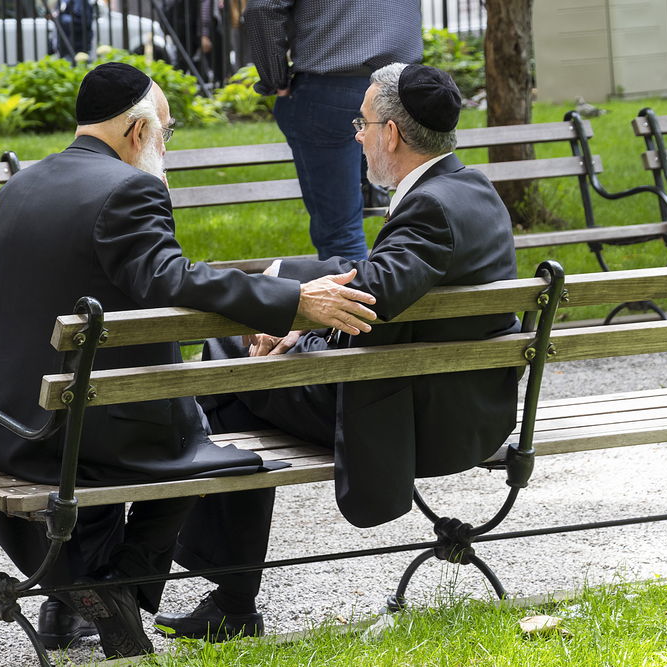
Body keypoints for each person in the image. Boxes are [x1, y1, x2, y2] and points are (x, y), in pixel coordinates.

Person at [0, 62, 377, 659]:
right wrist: (293, 300)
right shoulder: (130, 188)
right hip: (77, 434)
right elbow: (168, 278)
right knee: (216, 443)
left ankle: (76, 593)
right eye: (165, 135)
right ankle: (109, 585)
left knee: (147, 424)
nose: (164, 149)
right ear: (135, 131)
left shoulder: (20, 186)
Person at [155, 63, 521, 641]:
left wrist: (297, 317)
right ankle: (227, 591)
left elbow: (377, 292)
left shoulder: (429, 211)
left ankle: (229, 592)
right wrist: (301, 314)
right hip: (470, 407)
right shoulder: (471, 189)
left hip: (418, 423)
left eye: (363, 123)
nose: (357, 134)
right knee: (242, 359)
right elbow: (386, 278)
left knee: (226, 366)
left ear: (392, 135)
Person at [243, 0, 423, 261]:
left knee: (340, 233)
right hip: (403, 86)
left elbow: (262, 6)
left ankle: (362, 299)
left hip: (333, 84)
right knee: (421, 215)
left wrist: (275, 80)